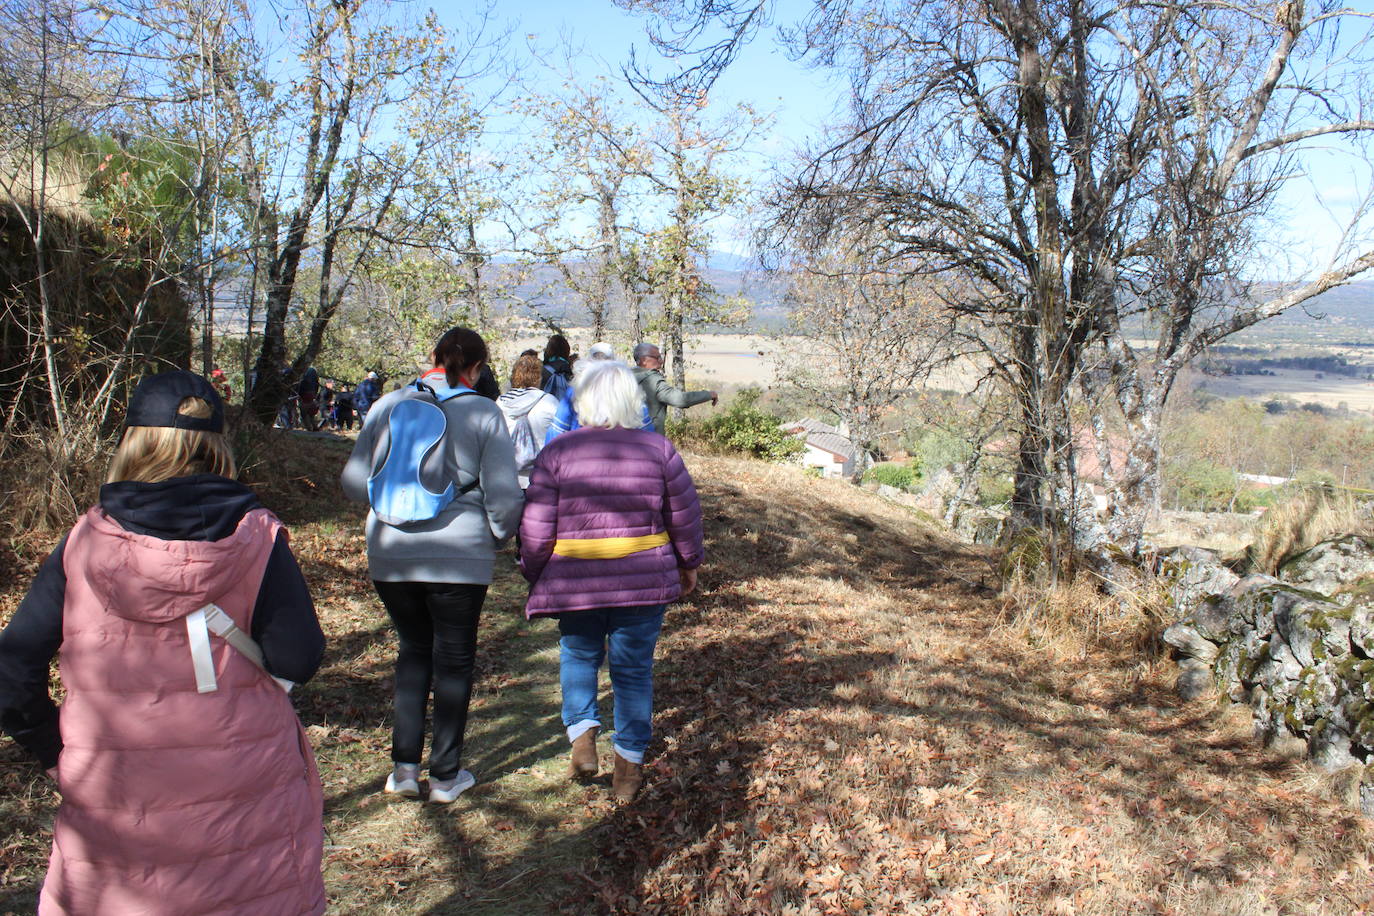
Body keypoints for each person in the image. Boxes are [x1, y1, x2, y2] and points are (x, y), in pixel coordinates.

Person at [0, 370, 327, 915]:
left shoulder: (85, 541)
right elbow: (298, 656)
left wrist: (55, 751)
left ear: (135, 440)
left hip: (113, 789)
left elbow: (13, 670)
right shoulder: (256, 537)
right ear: (218, 445)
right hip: (243, 790)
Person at [341, 328, 523, 804]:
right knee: (454, 661)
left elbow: (354, 483)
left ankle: (403, 770)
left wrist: (395, 501)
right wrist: (498, 535)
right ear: (477, 368)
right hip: (460, 554)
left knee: (413, 650)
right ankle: (444, 776)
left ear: (433, 357)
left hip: (390, 551)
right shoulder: (483, 412)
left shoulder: (387, 405)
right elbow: (504, 495)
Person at [519, 359, 704, 801]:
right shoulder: (658, 450)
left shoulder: (558, 452)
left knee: (578, 655)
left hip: (575, 580)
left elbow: (537, 526)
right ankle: (628, 771)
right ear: (631, 401)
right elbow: (683, 515)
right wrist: (689, 563)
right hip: (642, 579)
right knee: (634, 671)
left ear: (583, 401)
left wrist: (534, 569)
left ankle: (583, 737)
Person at [544, 342, 653, 443]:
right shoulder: (628, 389)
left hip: (581, 450)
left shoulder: (576, 390)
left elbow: (556, 431)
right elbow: (647, 431)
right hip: (624, 450)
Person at [496, 354, 560, 488]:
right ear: (539, 377)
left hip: (508, 477)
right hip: (541, 477)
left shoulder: (500, 403)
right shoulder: (549, 402)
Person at [632, 342, 718, 434]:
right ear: (644, 360)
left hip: (626, 438)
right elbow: (680, 399)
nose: (661, 361)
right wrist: (709, 394)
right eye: (657, 358)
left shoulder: (625, 377)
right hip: (649, 439)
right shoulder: (653, 380)